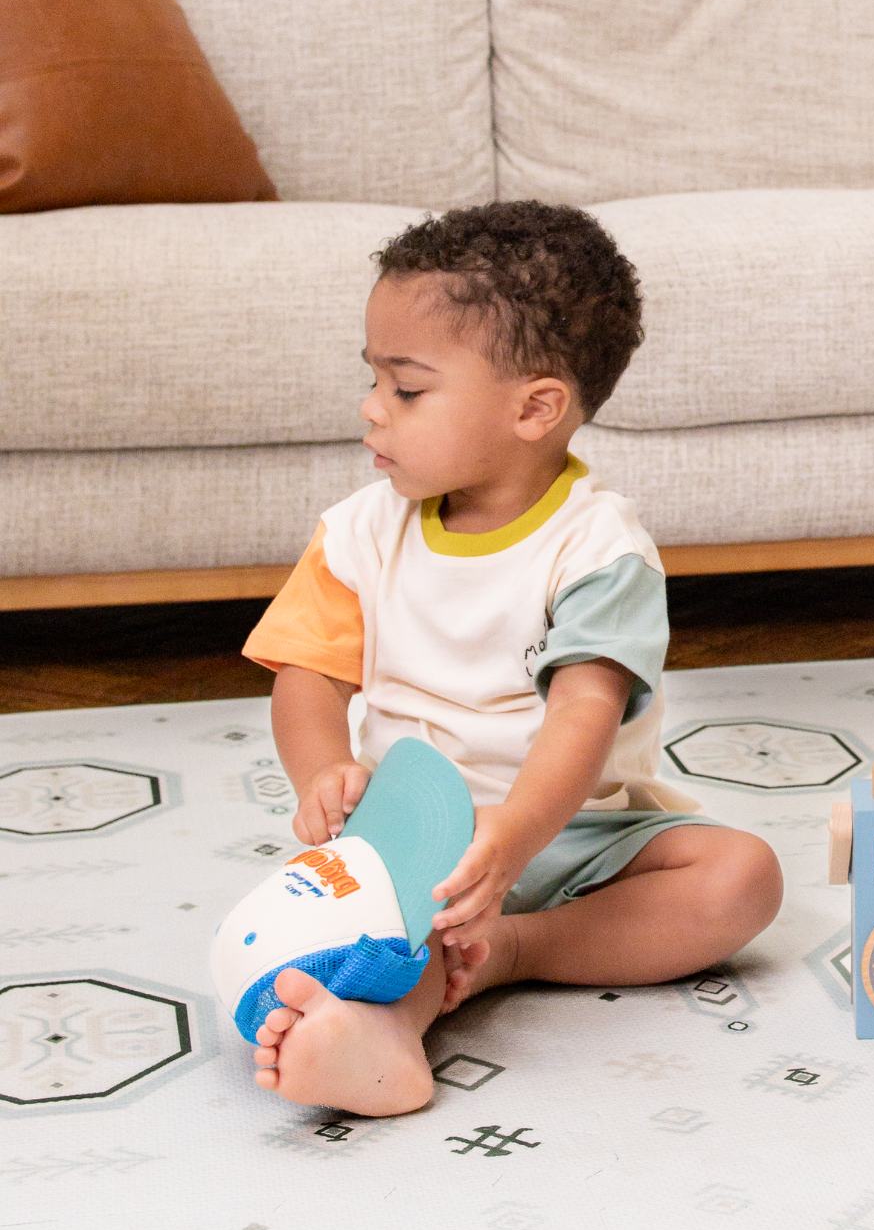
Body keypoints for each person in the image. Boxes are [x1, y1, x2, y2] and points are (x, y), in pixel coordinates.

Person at [241, 201, 783, 1115]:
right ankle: (381, 1038)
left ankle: (515, 953)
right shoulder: (358, 532)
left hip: (579, 831)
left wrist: (518, 838)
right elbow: (308, 675)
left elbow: (584, 712)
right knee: (395, 937)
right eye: (374, 379)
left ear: (534, 408)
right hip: (418, 838)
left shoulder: (599, 550)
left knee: (743, 877)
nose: (371, 408)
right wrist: (323, 770)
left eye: (407, 390)